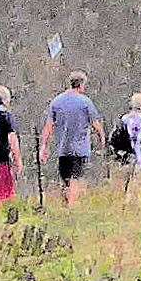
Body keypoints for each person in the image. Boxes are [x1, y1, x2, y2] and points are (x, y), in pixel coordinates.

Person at [40, 71, 105, 209]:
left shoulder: (57, 101)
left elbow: (48, 126)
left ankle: (66, 207)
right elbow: (96, 125)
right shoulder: (85, 102)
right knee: (76, 178)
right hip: (80, 149)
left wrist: (44, 146)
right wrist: (102, 140)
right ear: (81, 85)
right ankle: (72, 208)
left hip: (63, 149)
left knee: (66, 180)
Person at [111, 92, 141, 203]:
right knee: (135, 193)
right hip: (139, 161)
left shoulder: (122, 120)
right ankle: (132, 214)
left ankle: (119, 212)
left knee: (120, 193)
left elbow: (113, 139)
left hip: (121, 159)